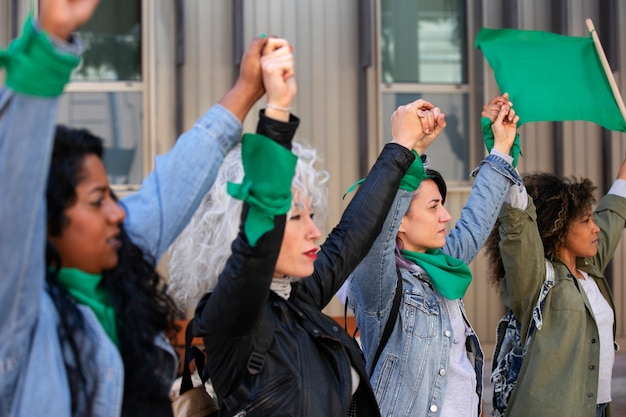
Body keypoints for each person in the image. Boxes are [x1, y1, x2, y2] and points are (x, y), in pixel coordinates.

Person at [0, 0, 282, 414]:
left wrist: (246, 90)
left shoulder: (117, 265)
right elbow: (15, 190)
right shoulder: (18, 314)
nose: (117, 213)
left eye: (112, 196)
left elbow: (171, 187)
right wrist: (48, 46)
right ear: (44, 222)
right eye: (97, 202)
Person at [167, 54, 447, 413]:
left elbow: (353, 232)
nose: (315, 231)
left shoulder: (297, 300)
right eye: (296, 217)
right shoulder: (234, 316)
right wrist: (277, 111)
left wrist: (403, 149)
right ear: (247, 227)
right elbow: (260, 231)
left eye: (311, 215)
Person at [345, 95, 523, 417]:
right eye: (433, 206)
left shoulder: (440, 266)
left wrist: (501, 148)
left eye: (442, 204)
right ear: (399, 219)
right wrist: (408, 149)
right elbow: (376, 233)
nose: (445, 216)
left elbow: (475, 221)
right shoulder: (380, 285)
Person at [484, 155, 626, 417]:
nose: (595, 228)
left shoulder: (588, 267)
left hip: (597, 408)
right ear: (557, 227)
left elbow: (613, 214)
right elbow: (517, 230)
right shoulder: (536, 280)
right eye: (585, 221)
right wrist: (504, 156)